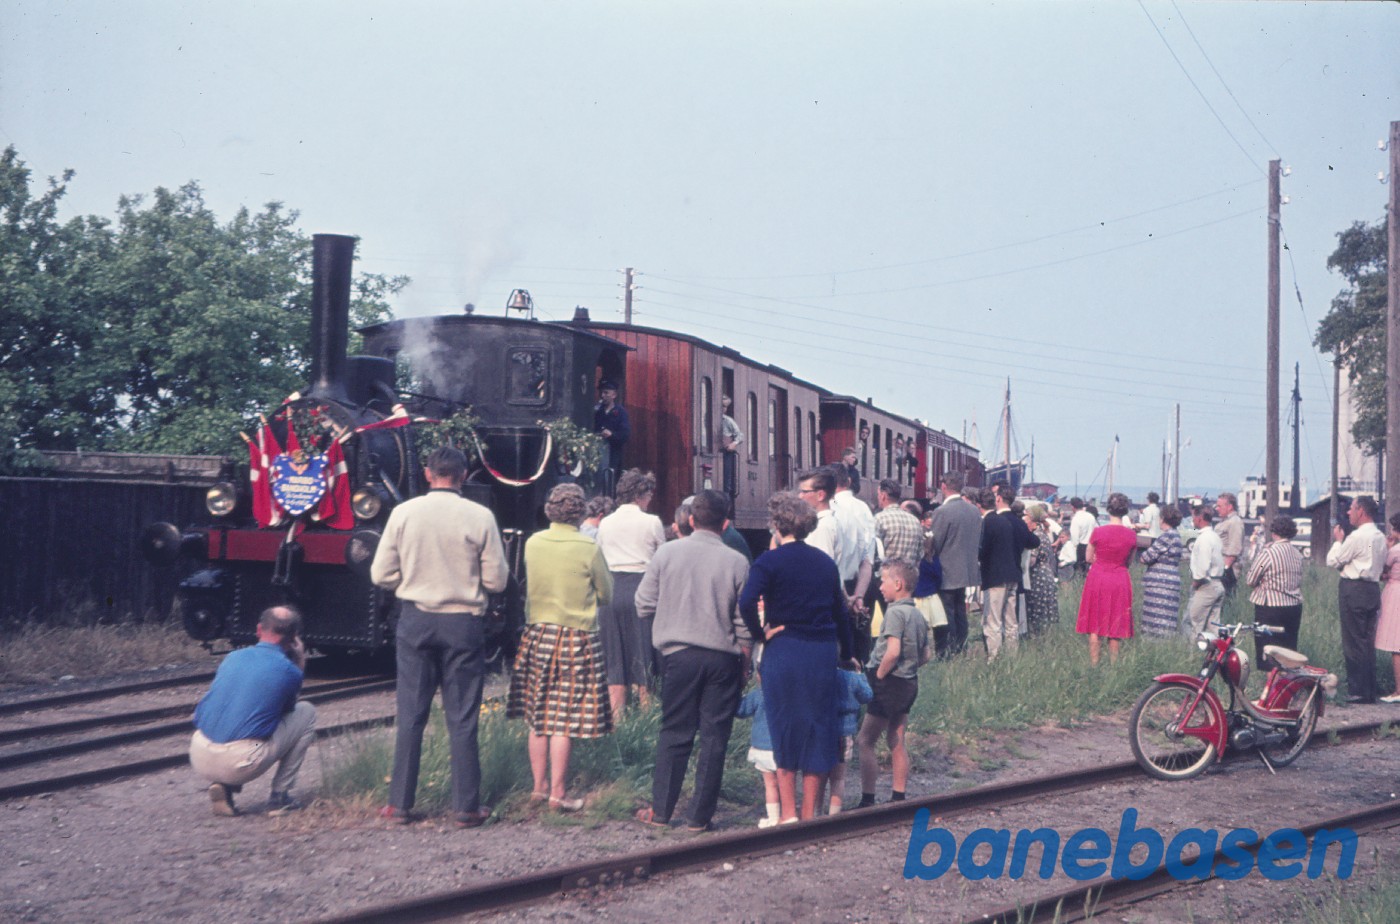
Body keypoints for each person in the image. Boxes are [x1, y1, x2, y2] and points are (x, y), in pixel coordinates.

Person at [370, 446, 509, 827]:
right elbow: (496, 580)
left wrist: (412, 583)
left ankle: (399, 804)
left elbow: (380, 575)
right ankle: (466, 807)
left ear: (429, 474)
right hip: (462, 623)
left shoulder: (403, 513)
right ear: (463, 476)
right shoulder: (480, 516)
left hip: (415, 619)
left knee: (411, 714)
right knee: (462, 717)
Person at [634, 490, 752, 832]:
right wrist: (744, 660)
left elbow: (643, 604)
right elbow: (743, 622)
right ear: (725, 523)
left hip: (678, 656)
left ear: (689, 520)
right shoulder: (737, 561)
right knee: (715, 737)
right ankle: (699, 817)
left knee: (674, 730)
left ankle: (661, 812)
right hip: (722, 659)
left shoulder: (666, 554)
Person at [738, 491, 854, 823]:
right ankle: (809, 814)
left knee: (783, 728)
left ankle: (787, 815)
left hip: (783, 651)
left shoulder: (768, 562)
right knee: (819, 727)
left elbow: (747, 603)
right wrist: (847, 654)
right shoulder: (824, 563)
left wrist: (761, 635)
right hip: (820, 653)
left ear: (777, 525)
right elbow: (841, 613)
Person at [507, 484, 613, 813]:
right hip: (576, 637)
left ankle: (538, 789)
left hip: (537, 633)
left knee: (538, 717)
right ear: (580, 512)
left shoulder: (534, 543)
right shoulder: (588, 547)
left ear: (551, 509)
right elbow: (606, 594)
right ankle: (558, 793)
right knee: (563, 720)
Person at [189, 605, 316, 817]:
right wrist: (300, 662)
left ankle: (223, 786)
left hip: (199, 752)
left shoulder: (233, 657)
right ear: (295, 638)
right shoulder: (288, 670)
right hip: (241, 762)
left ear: (259, 630)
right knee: (306, 713)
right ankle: (279, 797)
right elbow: (286, 712)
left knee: (235, 716)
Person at [856, 560, 930, 808]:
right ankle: (899, 796)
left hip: (887, 684)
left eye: (884, 580)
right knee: (896, 737)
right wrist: (909, 668)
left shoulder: (895, 613)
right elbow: (927, 654)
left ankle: (868, 798)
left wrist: (878, 676)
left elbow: (892, 651)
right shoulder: (917, 614)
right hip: (909, 684)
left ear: (898, 584)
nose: (880, 585)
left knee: (865, 740)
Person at [595, 468, 668, 716]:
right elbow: (662, 558)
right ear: (640, 494)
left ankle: (617, 721)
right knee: (644, 654)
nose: (650, 501)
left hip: (611, 591)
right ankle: (647, 719)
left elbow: (600, 555)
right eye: (649, 495)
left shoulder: (605, 522)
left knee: (614, 658)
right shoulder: (652, 522)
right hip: (642, 589)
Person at [1326, 496, 1387, 704]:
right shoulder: (1380, 536)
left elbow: (1333, 560)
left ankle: (1358, 690)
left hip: (1353, 588)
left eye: (1351, 509)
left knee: (1353, 639)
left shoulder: (1356, 537)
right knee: (1367, 640)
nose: (1348, 513)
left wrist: (1338, 542)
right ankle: (1369, 688)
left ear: (1361, 510)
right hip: (1372, 588)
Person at [978, 484, 1039, 661]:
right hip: (1014, 573)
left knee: (993, 620)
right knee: (1012, 621)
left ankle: (994, 658)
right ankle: (1013, 658)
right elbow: (1033, 542)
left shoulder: (992, 521)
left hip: (995, 575)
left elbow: (983, 551)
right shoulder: (1019, 522)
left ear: (998, 498)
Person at [1075, 492, 1136, 665]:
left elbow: (1088, 557)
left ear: (1108, 509)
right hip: (1120, 579)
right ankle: (1113, 666)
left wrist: (1101, 560)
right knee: (1115, 625)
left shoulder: (1098, 532)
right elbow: (1129, 561)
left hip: (1098, 577)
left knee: (1095, 623)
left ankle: (1094, 665)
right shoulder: (1131, 535)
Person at [928, 470, 981, 657]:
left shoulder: (942, 511)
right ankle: (962, 648)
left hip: (946, 571)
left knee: (945, 614)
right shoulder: (974, 511)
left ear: (943, 486)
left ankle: (947, 653)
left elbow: (935, 543)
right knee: (961, 613)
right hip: (966, 570)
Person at [829, 463, 876, 659]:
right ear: (848, 481)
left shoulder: (829, 509)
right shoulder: (863, 508)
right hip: (858, 584)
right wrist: (858, 596)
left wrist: (845, 597)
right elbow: (868, 558)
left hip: (835, 589)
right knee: (859, 647)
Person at [1246, 514, 1305, 668]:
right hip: (1293, 607)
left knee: (1269, 653)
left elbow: (1251, 579)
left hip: (1270, 609)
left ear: (1273, 533)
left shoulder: (1268, 553)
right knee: (1288, 653)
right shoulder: (1298, 554)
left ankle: (1272, 688)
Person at [735, 669, 779, 827]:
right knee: (786, 781)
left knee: (770, 784)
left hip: (763, 747)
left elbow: (740, 710)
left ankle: (774, 818)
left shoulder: (758, 694)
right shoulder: (790, 693)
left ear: (759, 676)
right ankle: (788, 814)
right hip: (784, 747)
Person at [827, 662, 873, 814]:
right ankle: (834, 814)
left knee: (819, 776)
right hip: (845, 733)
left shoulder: (821, 674)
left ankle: (816, 813)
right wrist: (861, 676)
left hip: (823, 733)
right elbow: (868, 696)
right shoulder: (853, 678)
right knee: (838, 778)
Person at [1139, 504, 1186, 639]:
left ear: (1163, 519)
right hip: (1170, 582)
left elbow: (1145, 557)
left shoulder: (1166, 536)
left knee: (1156, 623)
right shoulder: (1176, 535)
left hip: (1160, 584)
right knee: (1166, 620)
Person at [1186, 505, 1226, 639]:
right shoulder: (1214, 536)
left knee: (1194, 623)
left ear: (1200, 518)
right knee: (1212, 626)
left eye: (1193, 518)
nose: (1193, 521)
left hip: (1206, 584)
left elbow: (1203, 566)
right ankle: (1215, 656)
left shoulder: (1203, 539)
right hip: (1218, 583)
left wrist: (1196, 581)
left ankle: (1191, 656)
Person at [1022, 503, 1059, 635]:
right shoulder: (1043, 533)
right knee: (1044, 609)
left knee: (1037, 608)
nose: (1024, 520)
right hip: (1046, 573)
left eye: (1026, 518)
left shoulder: (1036, 535)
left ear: (1032, 520)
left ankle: (1037, 637)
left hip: (1038, 575)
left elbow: (1032, 560)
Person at [1375, 512, 1400, 704]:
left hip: (1396, 594)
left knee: (1396, 645)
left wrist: (1388, 546)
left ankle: (1398, 690)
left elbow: (1382, 570)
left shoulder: (1395, 551)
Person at [796, 467, 842, 564]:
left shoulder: (822, 527)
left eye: (804, 492)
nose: (799, 496)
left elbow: (821, 567)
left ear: (820, 495)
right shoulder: (828, 522)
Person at [874, 479, 924, 569]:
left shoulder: (879, 519)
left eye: (878, 494)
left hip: (886, 578)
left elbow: (873, 553)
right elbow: (920, 555)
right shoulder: (915, 522)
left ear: (883, 496)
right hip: (909, 578)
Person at [593, 379, 630, 494]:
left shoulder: (620, 412)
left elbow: (625, 434)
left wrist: (612, 435)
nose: (603, 396)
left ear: (614, 395)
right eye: (602, 393)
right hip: (597, 453)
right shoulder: (597, 411)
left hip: (612, 454)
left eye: (606, 393)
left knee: (609, 482)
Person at [1215, 492, 1245, 597]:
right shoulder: (1225, 522)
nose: (1216, 508)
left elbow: (1234, 550)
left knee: (1226, 601)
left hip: (1228, 572)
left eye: (1219, 506)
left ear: (1230, 506)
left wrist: (1224, 571)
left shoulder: (1235, 522)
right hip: (1221, 569)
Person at [719, 394, 742, 502]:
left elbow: (740, 435)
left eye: (725, 407)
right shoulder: (706, 416)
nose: (724, 409)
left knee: (726, 482)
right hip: (716, 452)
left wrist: (734, 444)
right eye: (722, 406)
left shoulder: (728, 421)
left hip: (726, 452)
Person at [1068, 497, 1096, 578]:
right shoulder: (1090, 516)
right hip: (1092, 545)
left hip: (1081, 547)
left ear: (1072, 507)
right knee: (1090, 570)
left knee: (1080, 571)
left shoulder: (1076, 519)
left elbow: (1075, 539)